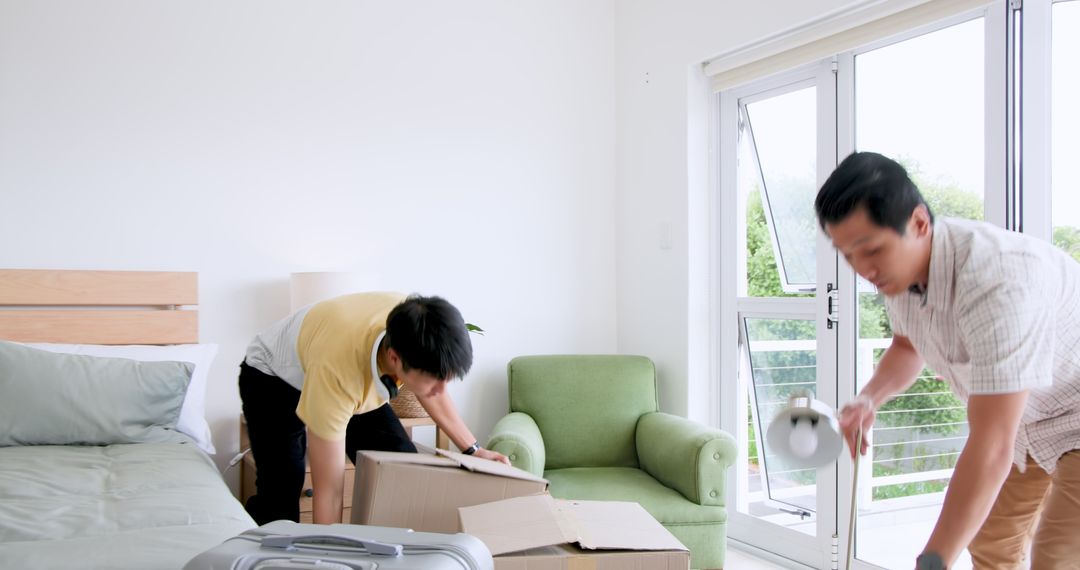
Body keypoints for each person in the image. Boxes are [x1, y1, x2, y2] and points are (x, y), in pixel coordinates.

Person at [815, 152, 1080, 569]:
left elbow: (991, 446)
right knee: (990, 543)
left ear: (919, 223)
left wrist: (932, 562)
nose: (862, 269)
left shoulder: (997, 282)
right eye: (848, 255)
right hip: (1031, 423)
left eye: (871, 250)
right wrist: (869, 397)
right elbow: (907, 345)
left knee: (1058, 556)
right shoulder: (900, 272)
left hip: (1074, 417)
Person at [238, 292, 509, 525]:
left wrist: (473, 449)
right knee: (282, 488)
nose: (440, 392)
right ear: (395, 359)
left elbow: (434, 392)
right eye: (433, 384)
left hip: (343, 364)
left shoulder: (418, 324)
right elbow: (330, 491)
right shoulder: (338, 373)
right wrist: (330, 556)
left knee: (401, 468)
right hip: (270, 378)